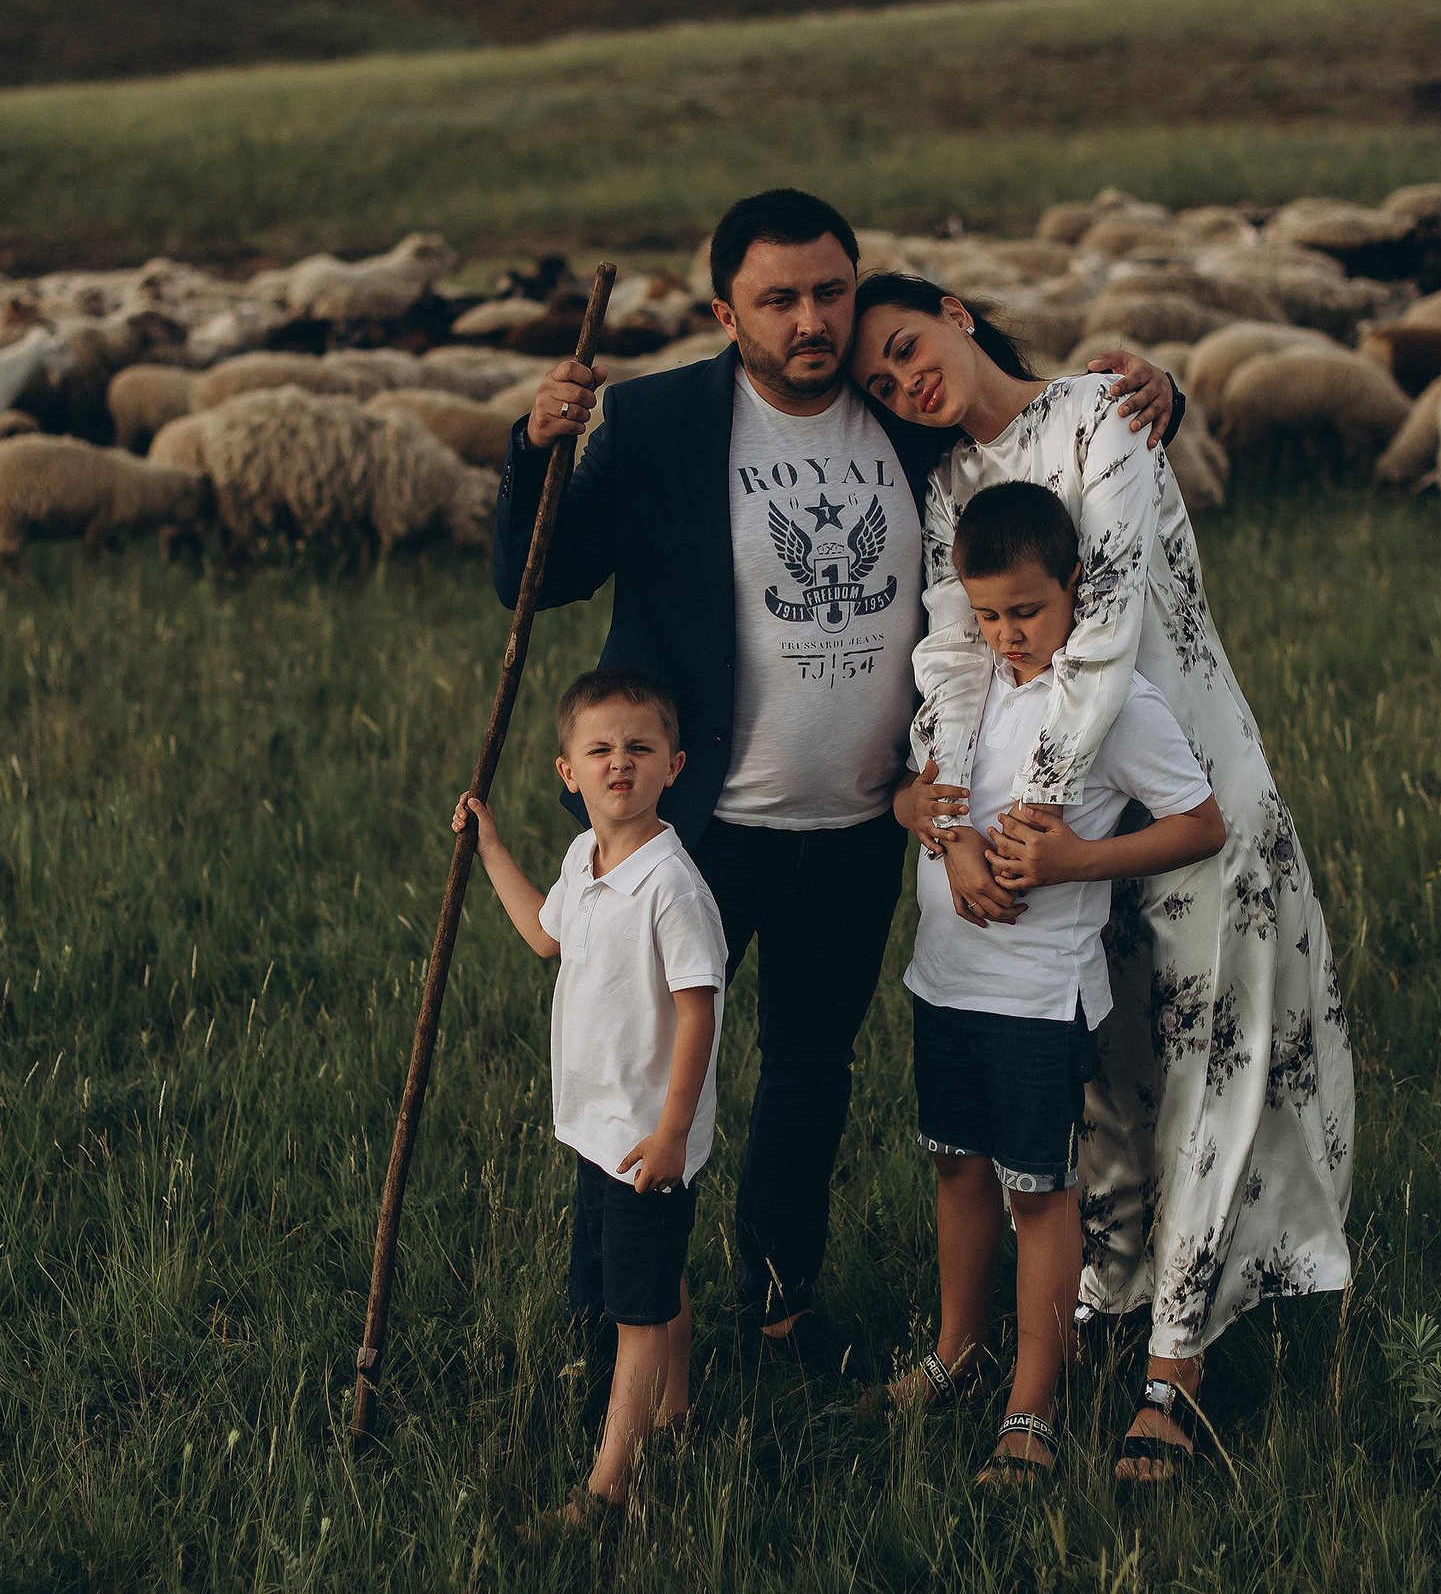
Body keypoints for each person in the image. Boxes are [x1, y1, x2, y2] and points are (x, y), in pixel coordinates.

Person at [492, 189, 1182, 1366]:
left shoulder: (904, 414)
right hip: (693, 822)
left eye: (830, 291)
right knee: (638, 1072)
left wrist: (1162, 395)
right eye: (778, 300)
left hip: (858, 819)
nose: (811, 319)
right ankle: (610, 1320)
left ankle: (778, 1300)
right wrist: (533, 446)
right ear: (727, 312)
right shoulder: (659, 420)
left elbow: (1039, 438)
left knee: (808, 1070)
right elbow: (534, 576)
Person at [850, 272, 1355, 1486]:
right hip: (1047, 843)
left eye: (907, 345)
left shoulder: (1102, 415)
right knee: (1103, 1072)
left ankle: (1174, 1367)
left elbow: (1106, 623)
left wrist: (1037, 812)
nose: (905, 381)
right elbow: (953, 655)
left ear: (957, 312)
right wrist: (955, 821)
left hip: (1183, 795)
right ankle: (1090, 1305)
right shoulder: (948, 484)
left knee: (1210, 1066)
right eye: (880, 381)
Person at [882, 480, 1227, 1485]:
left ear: (1075, 585)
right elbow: (915, 794)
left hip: (1036, 996)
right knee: (957, 1167)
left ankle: (1033, 1400)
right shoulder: (965, 682)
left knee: (1038, 1191)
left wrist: (1078, 859)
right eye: (988, 614)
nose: (1008, 635)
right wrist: (919, 815)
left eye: (1027, 611)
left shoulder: (1105, 702)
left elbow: (1201, 823)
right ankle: (957, 1349)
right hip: (944, 978)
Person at [456, 667, 727, 1525]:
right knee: (654, 1273)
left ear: (673, 766)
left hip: (646, 1132)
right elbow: (546, 936)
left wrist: (673, 1130)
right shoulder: (585, 858)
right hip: (599, 1126)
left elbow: (698, 1011)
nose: (620, 762)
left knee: (634, 1309)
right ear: (567, 771)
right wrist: (490, 848)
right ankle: (675, 1410)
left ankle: (611, 1483)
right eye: (600, 748)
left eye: (640, 748)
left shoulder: (672, 886)